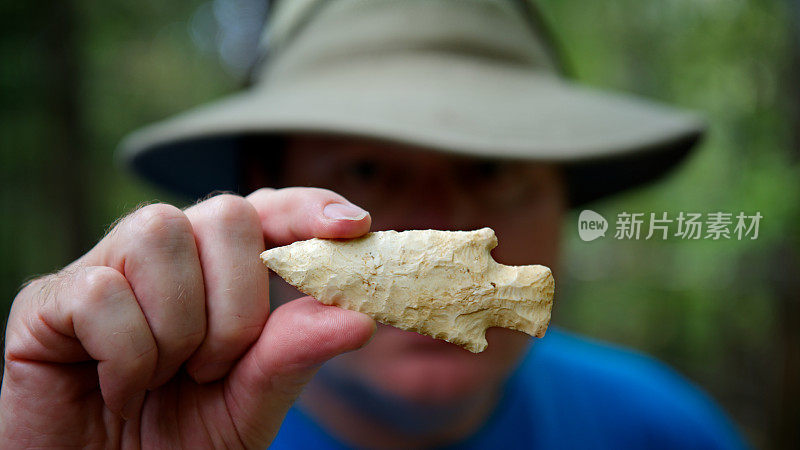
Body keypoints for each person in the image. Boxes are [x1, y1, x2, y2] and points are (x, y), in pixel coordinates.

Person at [0, 0, 747, 448]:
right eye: (364, 170)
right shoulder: (125, 420)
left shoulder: (669, 432)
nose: (439, 225)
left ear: (562, 198)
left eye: (491, 170)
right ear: (265, 199)